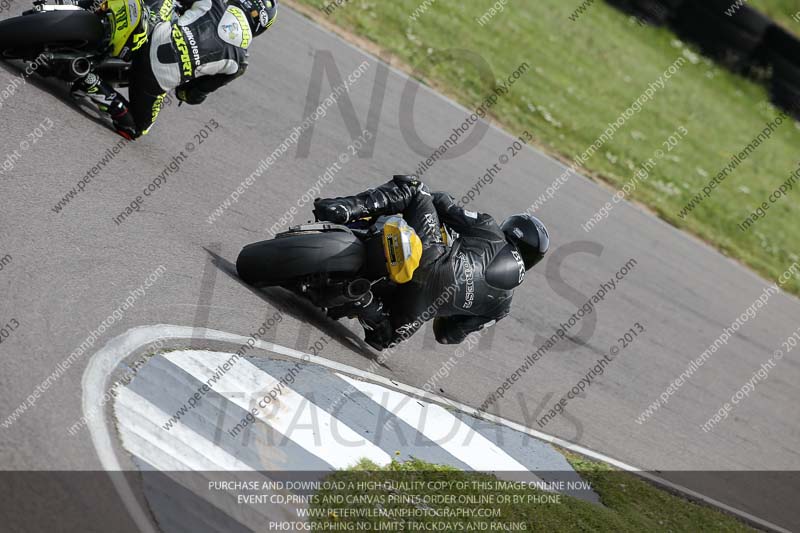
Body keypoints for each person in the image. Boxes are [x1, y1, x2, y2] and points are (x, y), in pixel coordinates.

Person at [313, 175, 550, 350]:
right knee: (384, 338)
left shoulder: (490, 229)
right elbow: (447, 335)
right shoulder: (502, 308)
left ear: (510, 227)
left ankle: (343, 209)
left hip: (431, 258)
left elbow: (443, 205)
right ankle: (363, 299)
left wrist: (437, 202)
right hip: (418, 307)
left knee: (415, 189)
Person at [71, 0, 278, 139]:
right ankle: (90, 81)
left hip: (153, 33)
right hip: (157, 75)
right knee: (136, 129)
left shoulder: (215, 2)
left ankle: (83, 7)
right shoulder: (240, 63)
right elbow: (191, 94)